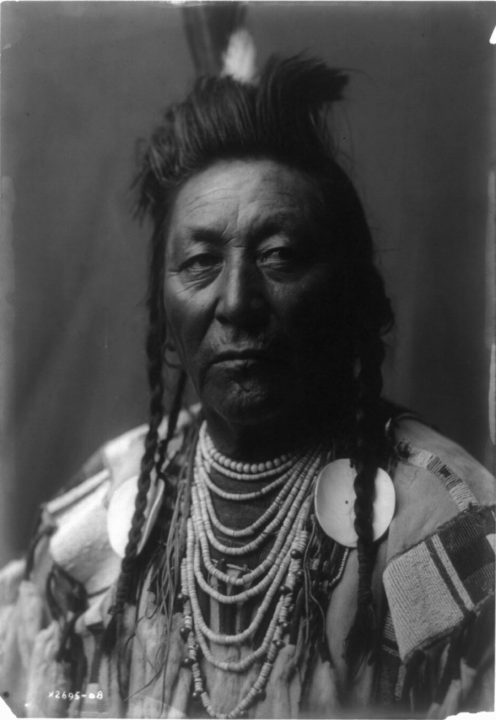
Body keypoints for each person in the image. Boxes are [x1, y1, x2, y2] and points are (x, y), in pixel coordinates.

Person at [0, 55, 494, 720]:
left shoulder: (438, 533)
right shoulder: (94, 531)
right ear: (166, 325)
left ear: (349, 298)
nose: (237, 302)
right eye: (201, 263)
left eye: (281, 255)